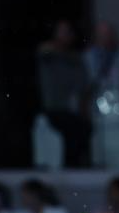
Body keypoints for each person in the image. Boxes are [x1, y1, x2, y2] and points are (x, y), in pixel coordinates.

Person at [37, 20, 91, 166]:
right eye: (62, 32)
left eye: (67, 32)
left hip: (72, 109)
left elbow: (83, 87)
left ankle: (77, 164)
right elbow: (43, 50)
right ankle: (71, 166)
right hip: (54, 109)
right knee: (72, 129)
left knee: (84, 128)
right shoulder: (49, 54)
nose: (65, 36)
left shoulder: (76, 59)